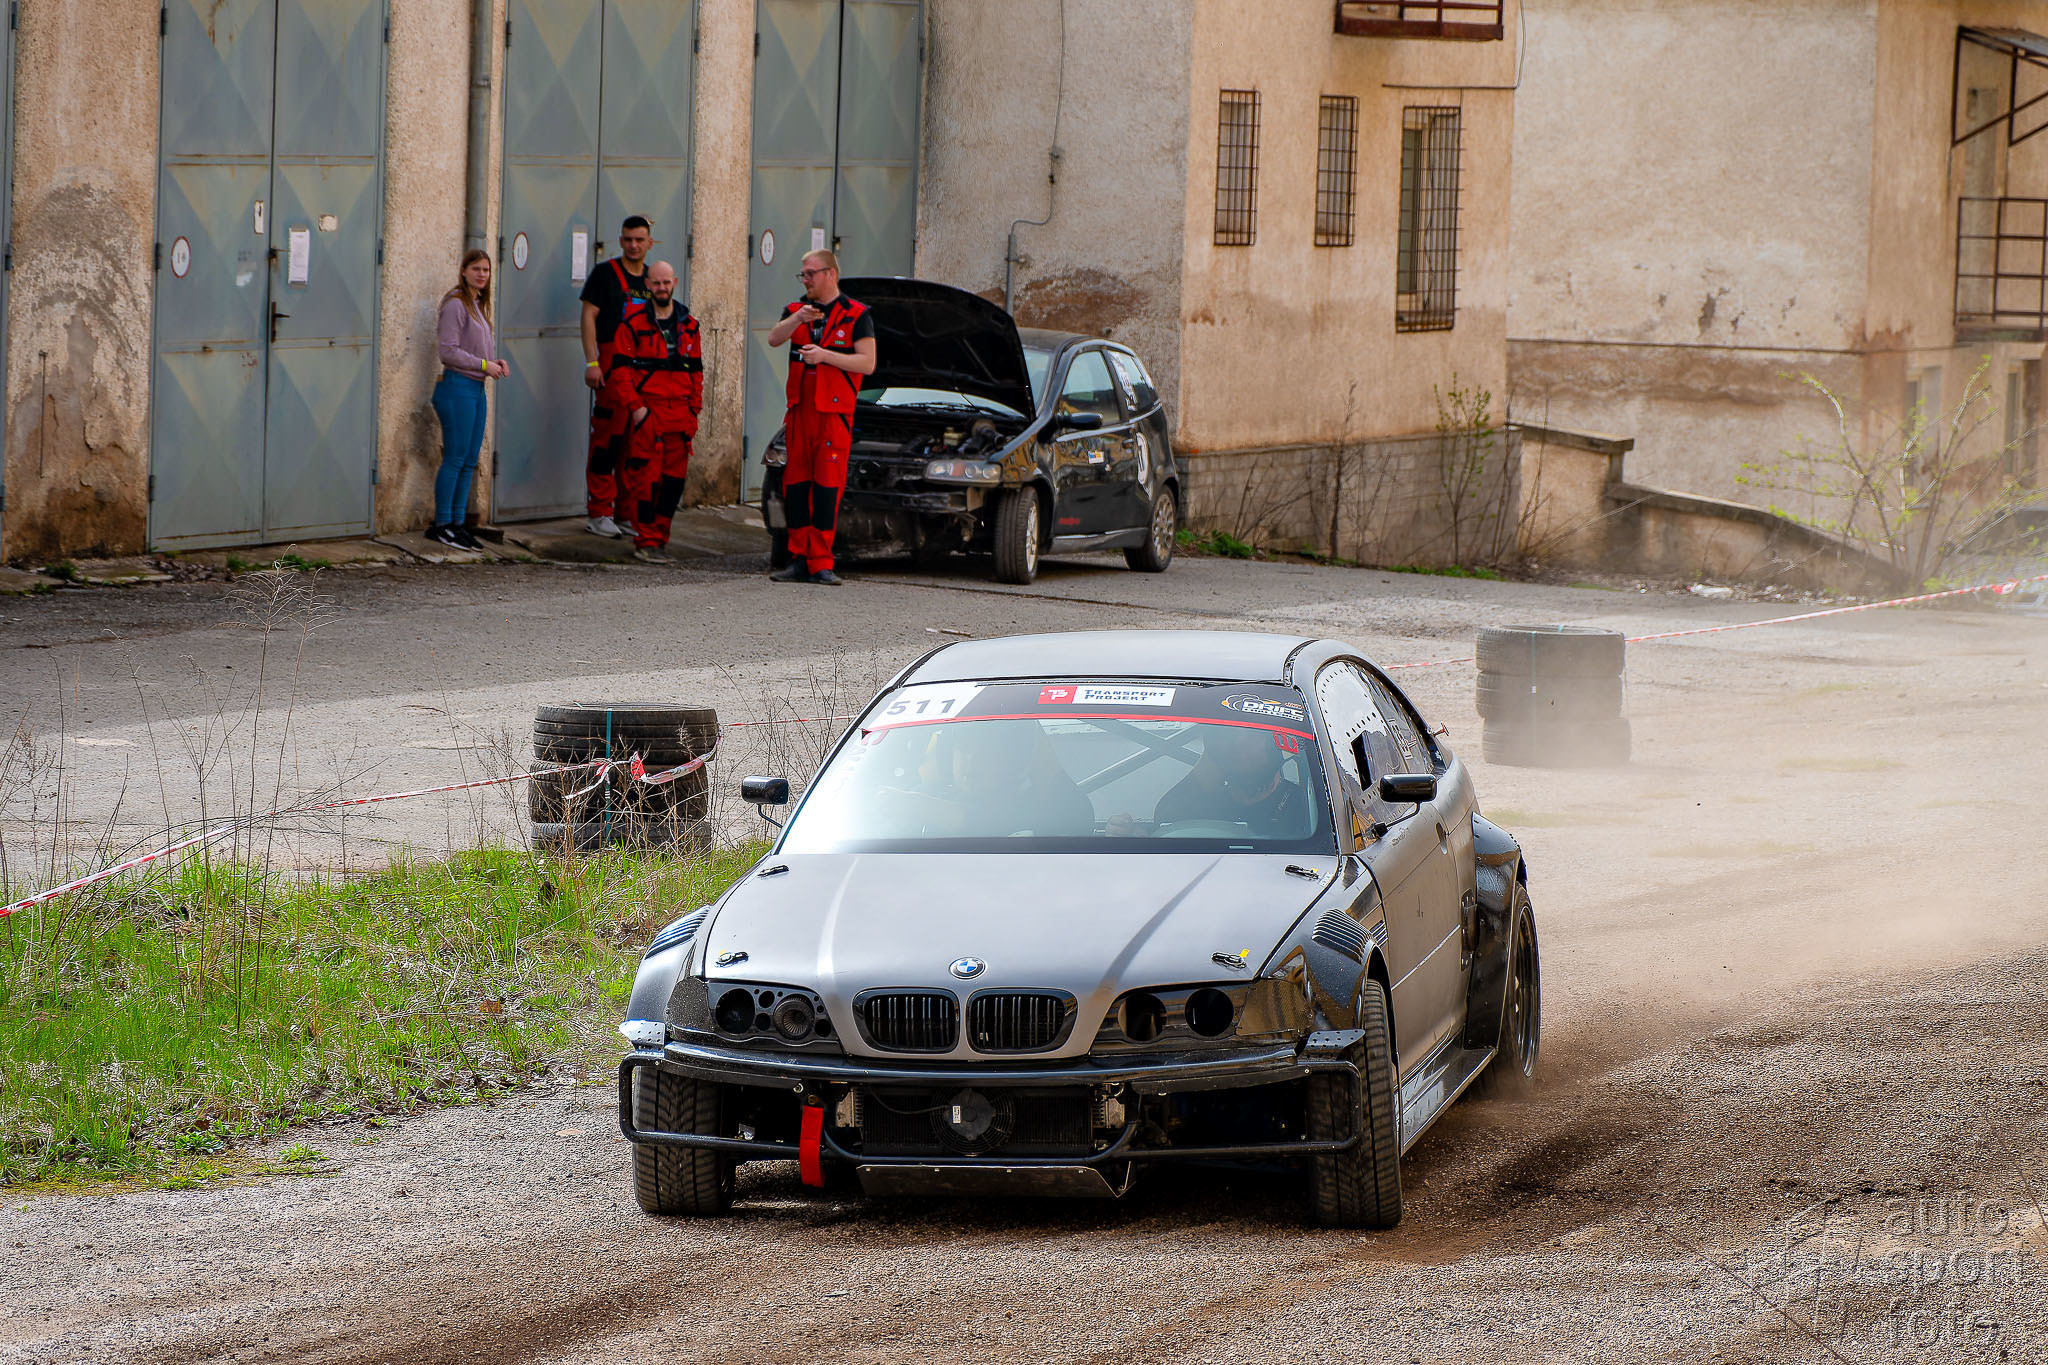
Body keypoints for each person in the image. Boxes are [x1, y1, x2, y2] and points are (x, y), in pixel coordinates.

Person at [765, 249, 875, 585]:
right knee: (796, 486)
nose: (805, 280)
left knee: (827, 487)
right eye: (803, 274)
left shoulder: (856, 315)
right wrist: (797, 320)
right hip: (800, 411)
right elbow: (774, 338)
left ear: (831, 274)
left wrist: (825, 356)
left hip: (833, 414)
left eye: (811, 273)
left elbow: (867, 363)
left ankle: (821, 562)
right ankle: (798, 559)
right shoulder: (797, 311)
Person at [600, 261, 702, 564]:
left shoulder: (690, 325)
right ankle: (646, 540)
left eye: (666, 282)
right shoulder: (632, 324)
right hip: (650, 413)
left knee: (672, 484)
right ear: (647, 285)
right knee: (645, 482)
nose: (661, 288)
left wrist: (694, 411)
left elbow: (697, 373)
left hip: (680, 416)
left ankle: (660, 539)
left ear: (675, 283)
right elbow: (620, 373)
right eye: (656, 283)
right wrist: (637, 409)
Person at [580, 215, 656, 538]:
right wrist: (592, 362)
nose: (633, 245)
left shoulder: (653, 280)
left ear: (649, 243)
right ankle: (599, 512)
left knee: (636, 444)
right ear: (621, 240)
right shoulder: (605, 274)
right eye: (628, 239)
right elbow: (588, 317)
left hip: (644, 370)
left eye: (639, 240)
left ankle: (627, 513)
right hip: (612, 365)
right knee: (607, 441)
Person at [431, 249, 507, 550]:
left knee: (469, 460)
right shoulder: (455, 304)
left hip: (476, 389)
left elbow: (476, 351)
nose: (482, 274)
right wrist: (485, 365)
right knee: (455, 458)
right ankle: (442, 524)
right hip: (457, 388)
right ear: (463, 271)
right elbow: (447, 351)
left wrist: (495, 362)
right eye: (476, 269)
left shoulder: (477, 304)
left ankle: (458, 523)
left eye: (486, 269)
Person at [1153, 725, 1313, 838]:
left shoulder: (1307, 809)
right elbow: (1165, 819)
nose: (1238, 743)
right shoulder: (1198, 805)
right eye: (1229, 735)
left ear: (1274, 747)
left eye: (1253, 734)